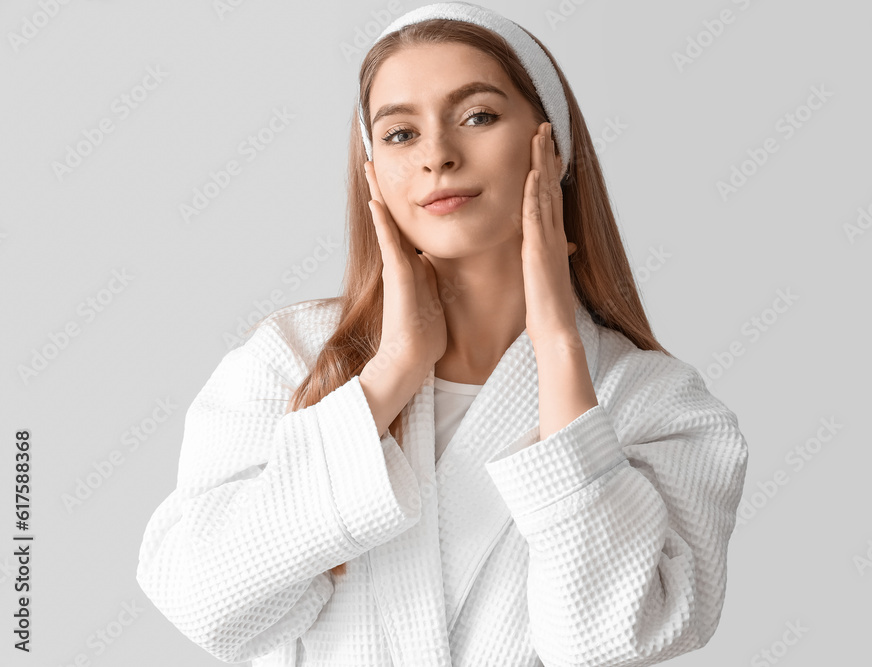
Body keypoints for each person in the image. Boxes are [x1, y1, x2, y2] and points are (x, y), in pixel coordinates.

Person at [135, 3, 749, 666]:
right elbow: (202, 602)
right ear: (371, 169)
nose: (438, 156)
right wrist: (390, 372)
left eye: (478, 116)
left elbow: (604, 642)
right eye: (399, 134)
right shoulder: (289, 360)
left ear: (554, 142)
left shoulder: (658, 404)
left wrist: (560, 351)